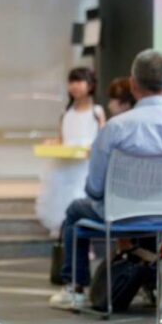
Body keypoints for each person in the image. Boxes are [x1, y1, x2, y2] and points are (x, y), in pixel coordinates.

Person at [49, 49, 162, 310]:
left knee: (75, 210)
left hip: (120, 215)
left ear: (133, 85)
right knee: (150, 220)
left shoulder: (116, 128)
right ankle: (152, 287)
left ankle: (75, 288)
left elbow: (95, 188)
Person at [35, 67, 106, 237]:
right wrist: (51, 143)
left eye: (79, 81)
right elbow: (62, 139)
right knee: (61, 198)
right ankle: (63, 233)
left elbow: (102, 139)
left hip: (85, 166)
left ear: (90, 85)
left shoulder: (97, 112)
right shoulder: (66, 113)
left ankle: (83, 237)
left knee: (80, 196)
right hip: (64, 164)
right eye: (72, 82)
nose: (75, 86)